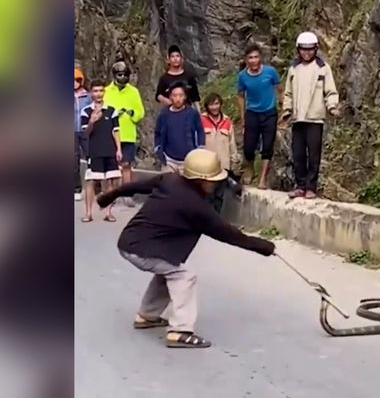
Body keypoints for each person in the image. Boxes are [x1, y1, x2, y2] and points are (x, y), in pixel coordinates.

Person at [96, 149, 276, 348]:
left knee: (170, 268)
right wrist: (264, 246)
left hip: (130, 241)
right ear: (200, 180)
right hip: (141, 249)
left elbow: (135, 186)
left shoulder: (170, 180)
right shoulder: (195, 206)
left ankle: (147, 315)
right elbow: (229, 234)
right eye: (212, 180)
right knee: (184, 275)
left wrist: (108, 197)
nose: (215, 184)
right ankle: (180, 330)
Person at [281, 32, 340, 199]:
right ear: (298, 50)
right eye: (303, 50)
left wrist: (332, 106)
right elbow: (288, 93)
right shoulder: (294, 68)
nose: (306, 53)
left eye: (310, 49)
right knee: (298, 153)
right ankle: (300, 185)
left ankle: (311, 187)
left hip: (315, 118)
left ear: (315, 49)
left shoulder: (323, 68)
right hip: (298, 118)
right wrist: (287, 110)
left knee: (314, 155)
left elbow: (330, 91)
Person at [236, 43, 282, 189]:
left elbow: (280, 89)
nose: (254, 60)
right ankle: (250, 167)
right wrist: (243, 117)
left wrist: (283, 108)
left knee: (267, 147)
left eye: (256, 57)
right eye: (250, 58)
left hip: (269, 113)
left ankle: (262, 179)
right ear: (246, 59)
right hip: (252, 113)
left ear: (260, 58)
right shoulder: (242, 76)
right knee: (249, 147)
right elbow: (240, 96)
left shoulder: (270, 72)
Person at [80, 79, 122, 222]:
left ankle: (109, 212)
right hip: (94, 150)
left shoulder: (112, 110)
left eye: (101, 91)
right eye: (96, 91)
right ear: (91, 93)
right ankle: (88, 213)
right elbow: (85, 133)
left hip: (110, 150)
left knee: (112, 181)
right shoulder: (86, 111)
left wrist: (119, 149)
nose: (98, 94)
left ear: (104, 92)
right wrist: (92, 120)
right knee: (90, 181)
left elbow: (116, 131)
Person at [104, 61, 145, 207]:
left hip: (128, 133)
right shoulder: (107, 91)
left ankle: (127, 194)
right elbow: (103, 110)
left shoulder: (133, 91)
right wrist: (113, 115)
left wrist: (132, 113)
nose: (122, 77)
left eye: (125, 75)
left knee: (127, 164)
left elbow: (140, 112)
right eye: (120, 74)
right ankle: (112, 194)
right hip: (111, 134)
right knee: (112, 165)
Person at [201, 92, 242, 213]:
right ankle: (205, 221)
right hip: (206, 166)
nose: (214, 107)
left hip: (223, 166)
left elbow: (232, 144)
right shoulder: (201, 120)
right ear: (207, 106)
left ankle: (215, 222)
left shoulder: (227, 121)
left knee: (219, 196)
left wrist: (234, 163)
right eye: (211, 104)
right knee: (207, 195)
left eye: (216, 104)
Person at [154, 81, 205, 173]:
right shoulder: (164, 114)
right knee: (167, 185)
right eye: (174, 95)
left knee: (186, 186)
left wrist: (199, 149)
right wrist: (158, 148)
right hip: (169, 160)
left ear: (185, 96)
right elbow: (157, 132)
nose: (178, 99)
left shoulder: (192, 113)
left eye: (181, 95)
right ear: (170, 96)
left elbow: (200, 131)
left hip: (188, 160)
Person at [155, 44, 201, 110]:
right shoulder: (164, 78)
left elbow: (195, 98)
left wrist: (199, 114)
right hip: (171, 113)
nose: (175, 59)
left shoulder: (189, 76)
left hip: (187, 112)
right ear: (168, 60)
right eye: (172, 56)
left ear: (181, 58)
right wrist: (169, 102)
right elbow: (158, 96)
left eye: (177, 56)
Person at [74, 68, 92, 201]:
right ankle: (76, 188)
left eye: (77, 80)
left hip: (86, 130)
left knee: (91, 156)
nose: (75, 83)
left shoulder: (88, 96)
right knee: (74, 161)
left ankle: (94, 187)